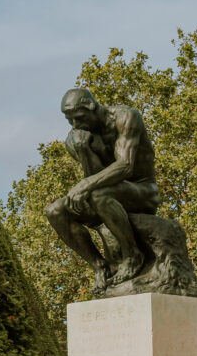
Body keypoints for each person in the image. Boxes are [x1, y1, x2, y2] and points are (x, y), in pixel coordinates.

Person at [45, 88, 159, 293]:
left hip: (142, 191)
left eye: (79, 118)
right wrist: (83, 150)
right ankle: (99, 266)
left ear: (92, 106)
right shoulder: (78, 137)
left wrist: (85, 185)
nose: (75, 125)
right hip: (106, 196)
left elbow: (125, 166)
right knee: (55, 211)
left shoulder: (126, 117)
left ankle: (133, 256)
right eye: (70, 121)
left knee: (98, 194)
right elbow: (96, 175)